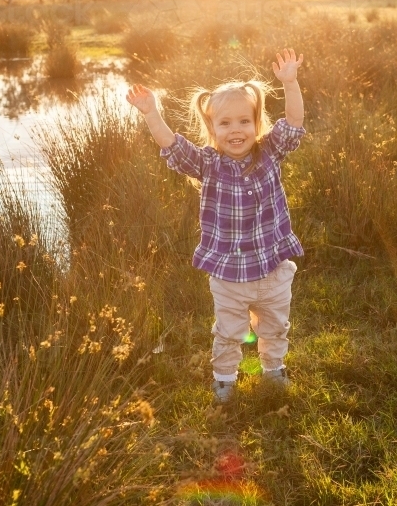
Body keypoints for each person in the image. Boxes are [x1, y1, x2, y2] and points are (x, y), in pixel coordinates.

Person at [125, 48, 306, 403]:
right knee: (228, 333)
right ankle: (225, 380)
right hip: (228, 275)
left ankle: (273, 371)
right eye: (225, 123)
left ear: (256, 124)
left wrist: (290, 82)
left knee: (275, 326)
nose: (235, 130)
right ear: (212, 128)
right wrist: (151, 113)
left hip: (272, 269)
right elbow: (172, 145)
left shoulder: (270, 151)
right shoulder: (208, 164)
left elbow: (295, 123)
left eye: (244, 121)